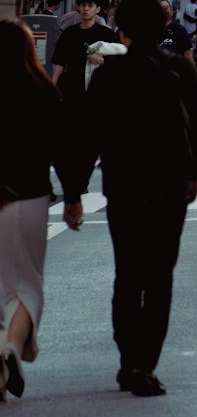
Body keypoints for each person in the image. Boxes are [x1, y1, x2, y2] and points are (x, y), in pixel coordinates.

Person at [62, 0, 197, 399]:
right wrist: (194, 173)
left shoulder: (109, 75)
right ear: (162, 28)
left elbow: (86, 138)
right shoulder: (178, 68)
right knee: (160, 277)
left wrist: (73, 193)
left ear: (121, 30)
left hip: (123, 187)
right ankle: (146, 362)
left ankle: (129, 361)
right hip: (169, 186)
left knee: (127, 275)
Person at [0, 21, 76, 403]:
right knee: (27, 283)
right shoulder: (42, 91)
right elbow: (62, 150)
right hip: (29, 196)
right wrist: (74, 196)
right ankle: (11, 349)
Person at [50, 0, 116, 113]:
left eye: (90, 6)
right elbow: (59, 60)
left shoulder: (107, 34)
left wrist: (102, 61)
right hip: (72, 86)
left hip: (99, 87)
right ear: (78, 8)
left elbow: (118, 61)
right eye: (83, 5)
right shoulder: (69, 33)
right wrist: (53, 82)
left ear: (98, 9)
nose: (86, 9)